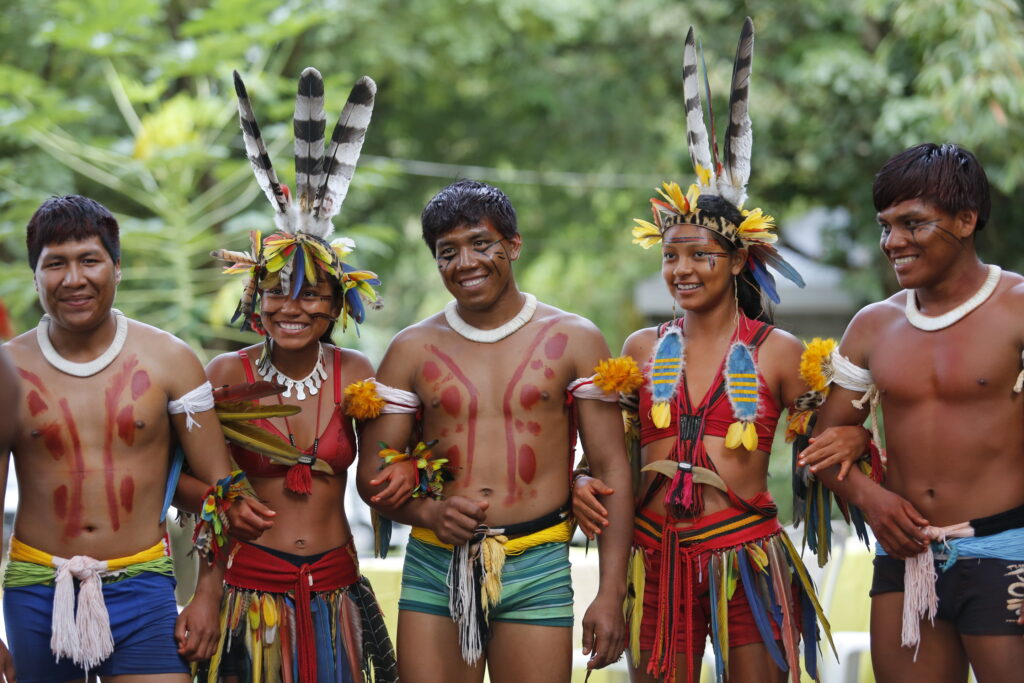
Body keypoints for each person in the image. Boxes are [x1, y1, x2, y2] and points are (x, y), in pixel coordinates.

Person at [573, 19, 868, 683]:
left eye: (700, 254)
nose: (682, 268)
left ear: (737, 260)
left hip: (745, 557)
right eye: (671, 255)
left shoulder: (780, 352)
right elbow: (608, 462)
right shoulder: (640, 348)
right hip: (655, 557)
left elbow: (835, 438)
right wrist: (579, 488)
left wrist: (852, 443)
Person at [353, 178, 634, 682]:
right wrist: (430, 511)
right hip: (437, 562)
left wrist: (611, 592)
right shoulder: (410, 349)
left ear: (514, 245)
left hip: (539, 557)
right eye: (447, 252)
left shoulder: (575, 338)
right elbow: (372, 475)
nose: (465, 263)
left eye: (481, 244)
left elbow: (612, 466)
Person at [1, 194, 266, 682]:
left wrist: (207, 596)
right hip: (38, 588)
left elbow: (221, 492)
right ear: (34, 275)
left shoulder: (170, 360)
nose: (74, 279)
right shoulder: (8, 368)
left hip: (142, 585)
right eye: (55, 264)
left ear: (117, 267)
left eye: (90, 260)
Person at [194, 67, 397, 682]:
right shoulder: (225, 373)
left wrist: (412, 473)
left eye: (314, 296)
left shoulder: (356, 373)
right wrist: (219, 498)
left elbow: (385, 474)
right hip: (247, 598)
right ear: (254, 301)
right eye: (277, 292)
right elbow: (181, 479)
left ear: (338, 306)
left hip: (336, 592)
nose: (293, 306)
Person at [797, 142, 1024, 682]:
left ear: (966, 221)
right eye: (885, 226)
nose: (893, 241)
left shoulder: (1018, 309)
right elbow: (822, 449)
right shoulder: (874, 326)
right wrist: (873, 500)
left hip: (1005, 549)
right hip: (906, 559)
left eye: (913, 224)